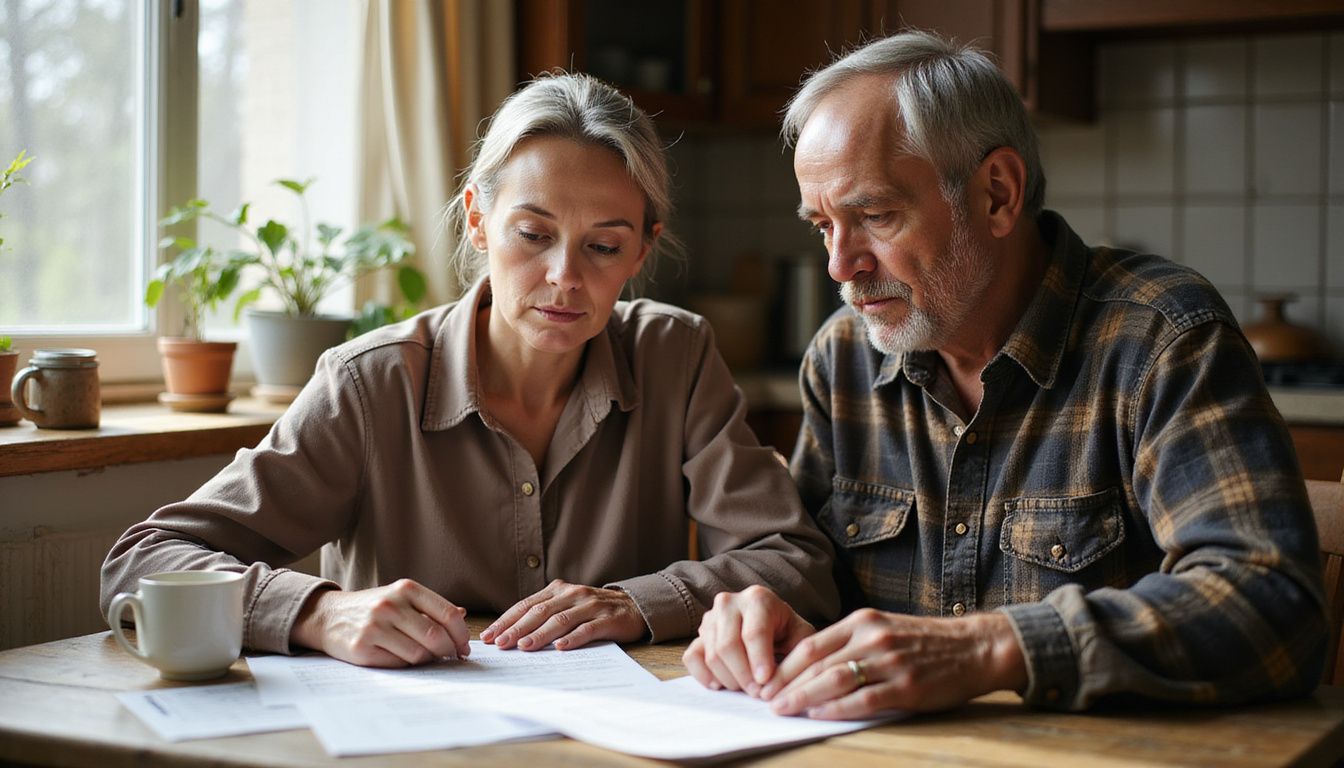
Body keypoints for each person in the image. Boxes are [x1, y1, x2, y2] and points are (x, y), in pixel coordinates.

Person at [684, 30, 1326, 717]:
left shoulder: (1163, 338)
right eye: (822, 226)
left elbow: (1272, 607)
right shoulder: (843, 357)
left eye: (874, 216)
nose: (841, 266)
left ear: (996, 193)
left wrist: (987, 649)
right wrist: (762, 608)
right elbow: (811, 575)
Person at [101, 73, 838, 668]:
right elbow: (139, 561)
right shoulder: (370, 382)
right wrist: (320, 611)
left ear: (643, 251)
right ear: (478, 221)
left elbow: (795, 564)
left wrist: (639, 602)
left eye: (603, 247)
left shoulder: (677, 356)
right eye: (533, 234)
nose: (563, 277)